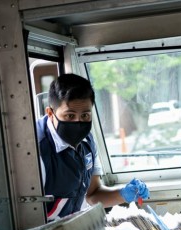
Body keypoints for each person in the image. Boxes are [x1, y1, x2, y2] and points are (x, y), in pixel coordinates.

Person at [36, 74, 150, 221]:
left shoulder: (87, 141)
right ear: (50, 113)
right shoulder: (36, 150)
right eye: (70, 116)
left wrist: (123, 193)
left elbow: (93, 194)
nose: (78, 123)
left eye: (85, 116)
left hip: (73, 228)